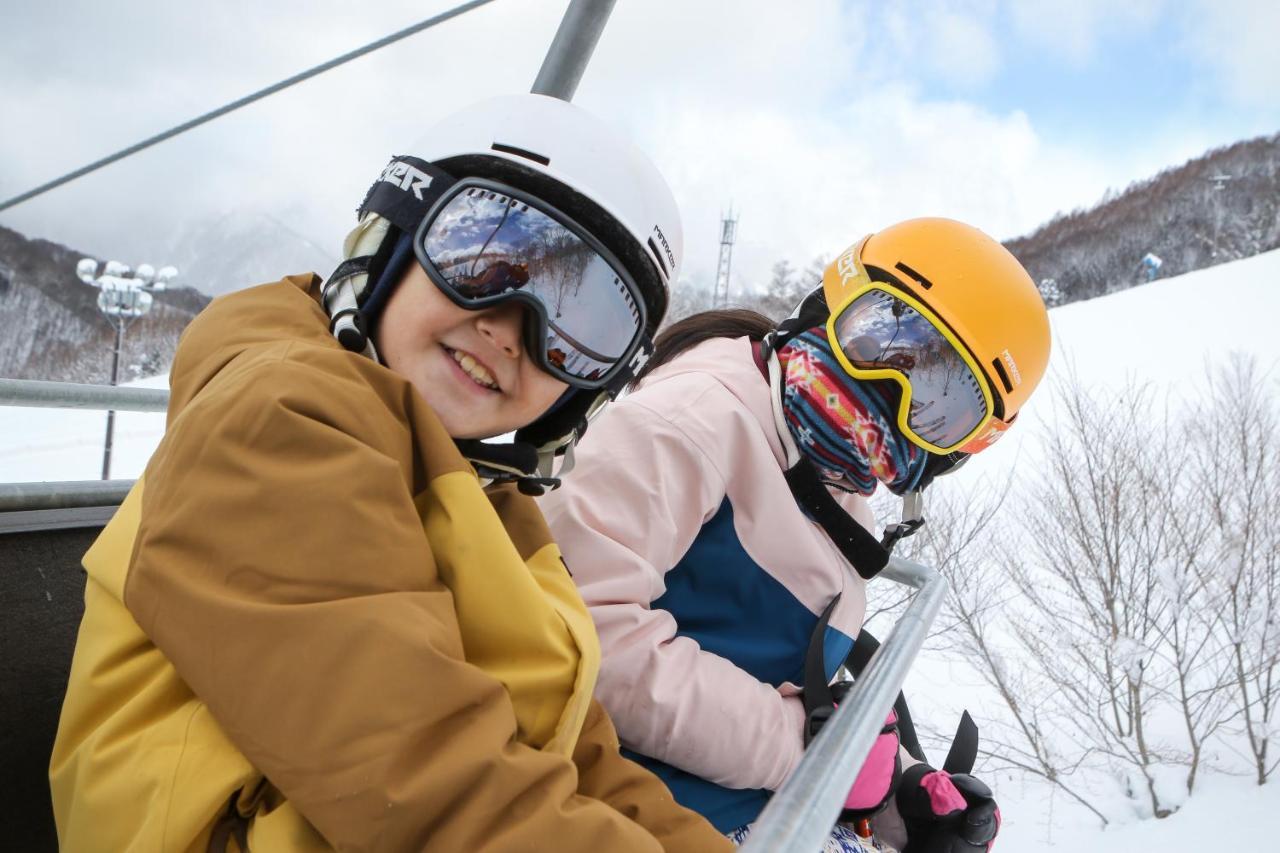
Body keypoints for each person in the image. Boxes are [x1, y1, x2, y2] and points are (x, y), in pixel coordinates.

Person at [48, 94, 732, 852]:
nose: (511, 328)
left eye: (582, 327)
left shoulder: (486, 502)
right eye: (484, 258)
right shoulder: (280, 420)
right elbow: (425, 783)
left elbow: (579, 753)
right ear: (397, 237)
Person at [539, 218, 1051, 851]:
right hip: (621, 807)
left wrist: (895, 795)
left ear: (952, 452)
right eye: (882, 335)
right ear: (827, 304)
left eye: (938, 401)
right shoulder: (688, 423)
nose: (888, 389)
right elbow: (584, 637)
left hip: (737, 806)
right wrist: (814, 757)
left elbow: (783, 689)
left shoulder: (836, 489)